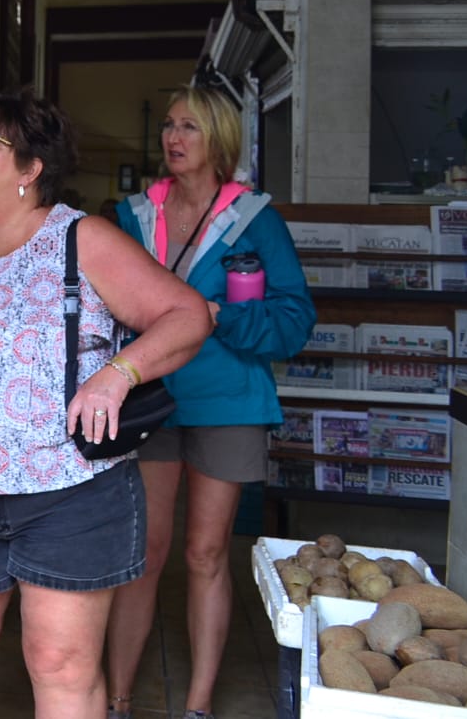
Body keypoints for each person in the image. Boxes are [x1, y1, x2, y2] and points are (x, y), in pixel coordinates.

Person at [0, 89, 213, 719]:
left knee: (58, 661)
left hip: (69, 493)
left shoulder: (81, 239)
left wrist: (119, 372)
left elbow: (187, 315)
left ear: (32, 168)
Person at [104, 86, 315, 719]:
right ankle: (116, 701)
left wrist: (220, 317)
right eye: (169, 125)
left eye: (190, 127)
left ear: (219, 139)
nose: (174, 137)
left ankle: (196, 707)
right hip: (151, 397)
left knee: (205, 554)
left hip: (229, 400)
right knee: (143, 554)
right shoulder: (133, 215)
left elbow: (293, 321)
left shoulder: (255, 219)